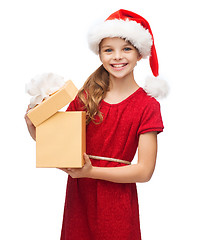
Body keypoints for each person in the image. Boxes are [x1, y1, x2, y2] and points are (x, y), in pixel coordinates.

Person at [25, 9, 167, 240]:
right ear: (100, 54)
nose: (117, 57)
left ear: (139, 54)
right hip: (80, 201)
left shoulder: (147, 105)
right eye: (108, 50)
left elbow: (144, 171)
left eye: (126, 49)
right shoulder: (87, 97)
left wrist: (91, 171)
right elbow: (60, 145)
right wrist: (34, 126)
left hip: (118, 206)